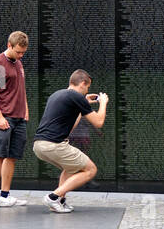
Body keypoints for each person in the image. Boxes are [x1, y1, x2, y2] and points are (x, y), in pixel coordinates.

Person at [32, 70, 108, 213]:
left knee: (70, 168)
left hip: (39, 145)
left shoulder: (58, 94)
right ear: (83, 83)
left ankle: (60, 201)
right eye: (87, 87)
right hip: (54, 145)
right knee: (91, 170)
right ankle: (53, 196)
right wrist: (103, 103)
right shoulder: (75, 96)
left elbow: (70, 127)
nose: (87, 91)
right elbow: (99, 122)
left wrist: (82, 105)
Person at [0, 31, 31, 207]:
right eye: (18, 52)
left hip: (19, 117)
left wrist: (25, 109)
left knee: (12, 157)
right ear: (9, 45)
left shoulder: (18, 64)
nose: (20, 55)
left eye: (23, 52)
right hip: (4, 116)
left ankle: (5, 195)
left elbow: (21, 88)